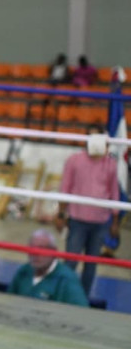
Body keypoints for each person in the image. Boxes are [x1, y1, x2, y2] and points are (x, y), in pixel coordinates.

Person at [54, 124, 120, 296]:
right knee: (71, 262)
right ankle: (64, 295)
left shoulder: (111, 164)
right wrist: (61, 214)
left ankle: (82, 299)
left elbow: (114, 192)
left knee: (91, 265)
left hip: (100, 222)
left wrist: (115, 221)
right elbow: (65, 188)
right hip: (77, 220)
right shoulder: (74, 160)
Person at [8, 229, 89, 307]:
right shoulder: (23, 271)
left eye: (41, 248)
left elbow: (83, 313)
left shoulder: (67, 280)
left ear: (54, 251)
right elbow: (9, 301)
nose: (35, 253)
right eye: (32, 248)